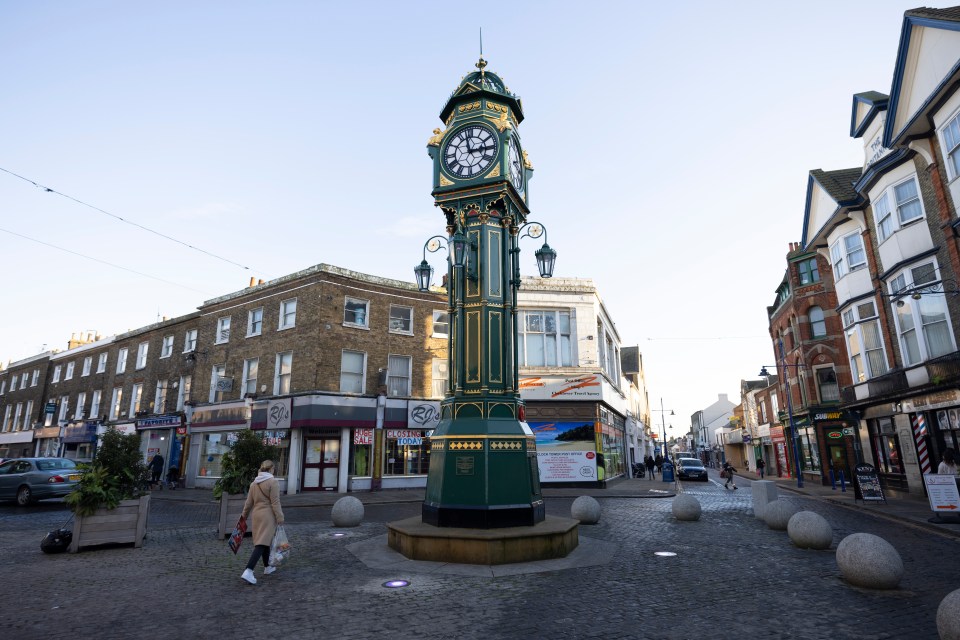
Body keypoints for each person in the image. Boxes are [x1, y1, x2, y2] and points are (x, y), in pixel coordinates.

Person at [240, 460, 285, 585]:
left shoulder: (254, 483)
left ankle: (267, 567)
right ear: (271, 469)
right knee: (261, 543)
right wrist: (280, 517)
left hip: (256, 514)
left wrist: (243, 517)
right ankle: (248, 571)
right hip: (268, 515)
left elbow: (248, 503)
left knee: (265, 541)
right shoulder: (273, 482)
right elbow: (275, 502)